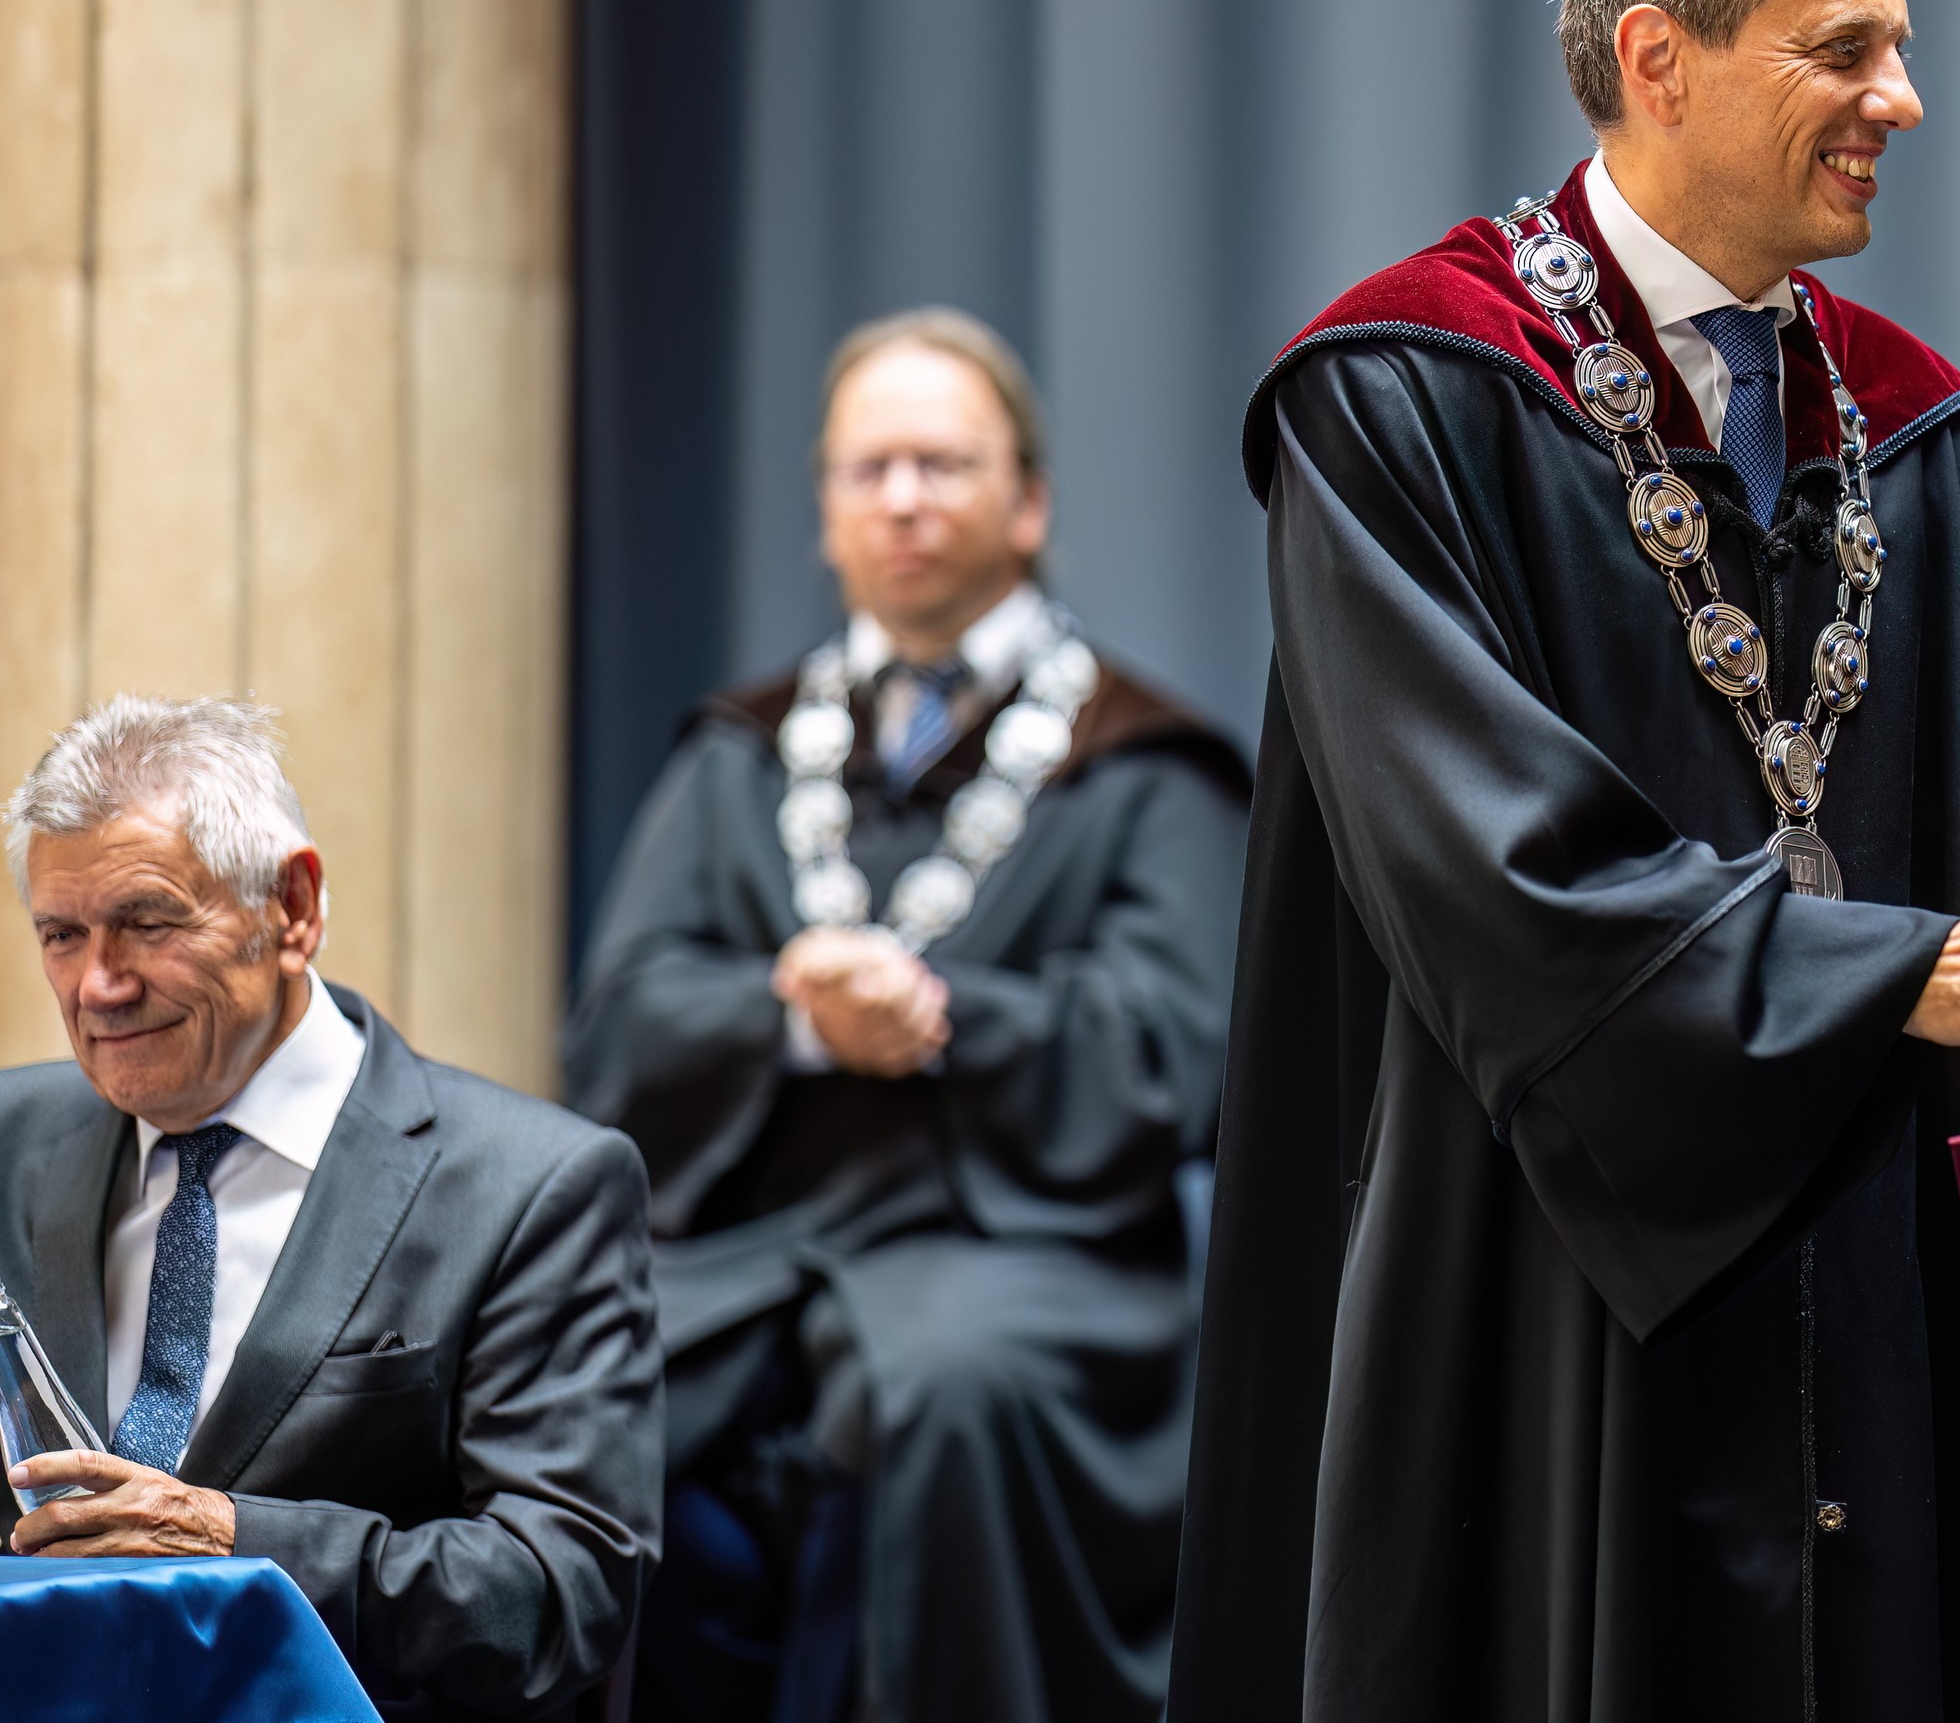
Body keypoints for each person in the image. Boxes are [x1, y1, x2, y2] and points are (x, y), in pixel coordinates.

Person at [1169, 0, 1960, 1723]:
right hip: (1534, 1276)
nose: (1902, 99)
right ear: (1659, 58)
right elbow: (1493, 883)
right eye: (1844, 49)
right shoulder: (1406, 391)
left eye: (1899, 46)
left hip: (1868, 1266)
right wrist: (1899, 972)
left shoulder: (1900, 423)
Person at [567, 309, 1250, 1723]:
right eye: (867, 470)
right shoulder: (742, 757)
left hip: (1025, 1259)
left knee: (941, 1395)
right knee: (564, 1386)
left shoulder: (1144, 765)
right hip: (756, 1253)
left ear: (1029, 502)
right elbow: (619, 1025)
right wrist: (800, 1021)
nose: (903, 499)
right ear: (825, 512)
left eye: (942, 464)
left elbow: (1176, 1050)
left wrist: (942, 1021)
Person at [0, 696, 659, 1719]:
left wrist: (236, 1541)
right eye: (62, 935)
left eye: (147, 923)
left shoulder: (532, 1187)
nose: (98, 986)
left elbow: (560, 1596)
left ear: (293, 908)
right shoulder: (10, 1140)